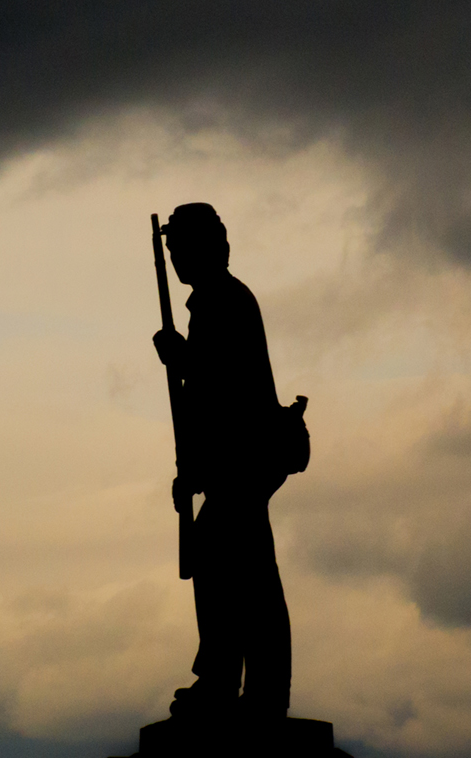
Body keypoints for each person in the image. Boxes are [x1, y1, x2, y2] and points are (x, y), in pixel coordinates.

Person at [152, 202, 291, 722]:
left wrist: (180, 356)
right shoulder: (213, 301)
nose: (175, 261)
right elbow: (209, 393)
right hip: (233, 463)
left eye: (180, 250)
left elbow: (222, 386)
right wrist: (192, 470)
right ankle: (241, 686)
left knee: (238, 571)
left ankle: (233, 687)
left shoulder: (222, 301)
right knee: (238, 570)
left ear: (211, 248)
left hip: (243, 460)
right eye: (170, 252)